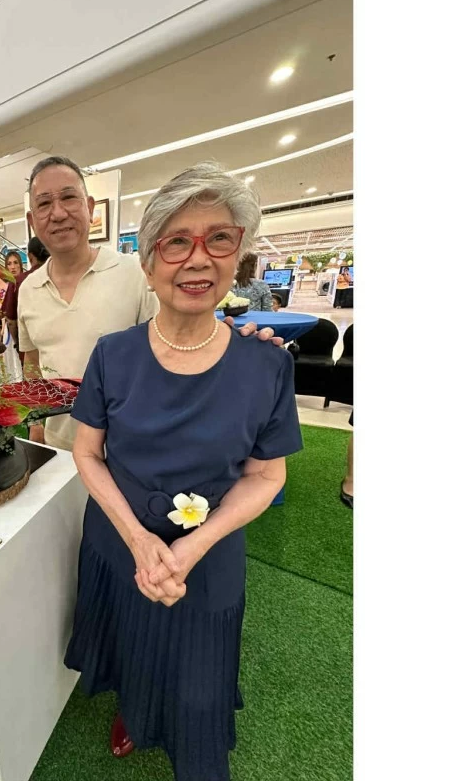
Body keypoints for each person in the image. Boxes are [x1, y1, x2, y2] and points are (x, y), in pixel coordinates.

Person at [65, 162, 302, 780]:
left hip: (210, 552)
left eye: (218, 238)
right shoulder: (113, 355)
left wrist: (189, 548)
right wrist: (140, 541)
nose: (197, 260)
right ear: (148, 263)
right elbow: (87, 453)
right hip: (121, 540)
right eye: (176, 242)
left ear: (238, 256)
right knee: (129, 642)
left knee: (198, 678)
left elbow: (266, 477)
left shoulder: (266, 366)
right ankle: (134, 712)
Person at [16, 156, 282, 449]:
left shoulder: (135, 272)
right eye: (43, 204)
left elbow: (176, 340)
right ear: (31, 221)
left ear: (89, 208)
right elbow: (33, 363)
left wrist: (227, 342)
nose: (58, 213)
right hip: (57, 443)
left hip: (131, 448)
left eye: (69, 197)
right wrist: (36, 426)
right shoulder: (28, 288)